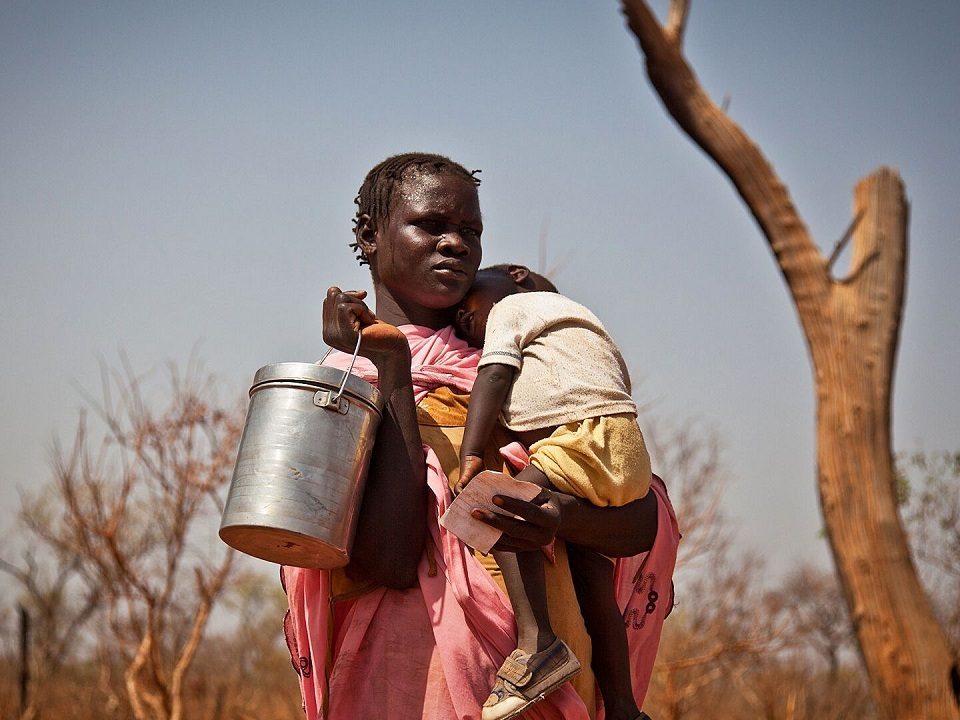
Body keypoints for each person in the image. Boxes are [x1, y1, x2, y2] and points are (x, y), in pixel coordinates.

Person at [281, 152, 680, 720]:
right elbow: (389, 561)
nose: (456, 244)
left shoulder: (529, 369)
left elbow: (634, 516)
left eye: (471, 231)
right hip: (412, 687)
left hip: (555, 686)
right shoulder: (340, 388)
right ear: (371, 234)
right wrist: (392, 364)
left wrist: (560, 518)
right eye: (431, 225)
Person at [454, 265, 653, 720]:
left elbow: (495, 374)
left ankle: (538, 642)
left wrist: (470, 454)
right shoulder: (585, 324)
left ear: (517, 276)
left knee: (496, 507)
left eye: (469, 307)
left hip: (580, 438)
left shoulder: (514, 306)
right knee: (595, 593)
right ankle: (623, 707)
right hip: (626, 452)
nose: (465, 318)